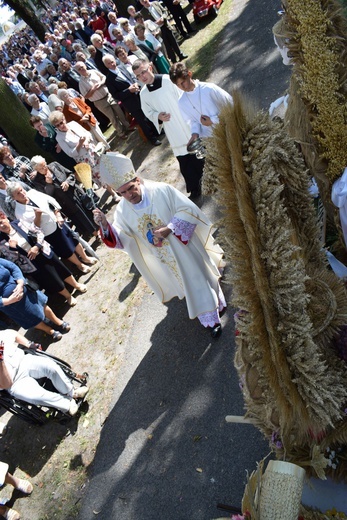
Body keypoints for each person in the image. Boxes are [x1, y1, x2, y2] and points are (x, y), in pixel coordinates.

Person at [94, 153, 226, 337]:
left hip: (183, 247)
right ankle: (209, 311)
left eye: (131, 188)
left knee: (197, 276)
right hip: (165, 257)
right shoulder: (123, 211)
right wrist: (105, 225)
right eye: (122, 192)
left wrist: (170, 228)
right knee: (188, 282)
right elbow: (122, 238)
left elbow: (187, 209)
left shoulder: (161, 191)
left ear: (138, 180)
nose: (129, 195)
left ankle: (211, 318)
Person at [133, 58, 204, 197]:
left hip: (186, 120)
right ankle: (195, 187)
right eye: (138, 76)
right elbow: (148, 112)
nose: (142, 77)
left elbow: (184, 94)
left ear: (150, 68)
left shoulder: (167, 80)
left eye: (143, 72)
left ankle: (212, 176)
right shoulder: (143, 94)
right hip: (172, 129)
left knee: (200, 151)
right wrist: (157, 116)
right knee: (184, 159)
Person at [0, 211, 87, 306]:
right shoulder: (1, 241)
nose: (1, 226)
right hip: (31, 264)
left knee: (61, 269)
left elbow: (39, 231)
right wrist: (13, 248)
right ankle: (68, 296)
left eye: (1, 222)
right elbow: (11, 260)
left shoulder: (20, 223)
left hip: (43, 251)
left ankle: (76, 285)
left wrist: (37, 246)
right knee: (52, 280)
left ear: (4, 217)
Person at [6, 181, 95, 274]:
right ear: (13, 198)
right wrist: (38, 217)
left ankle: (85, 258)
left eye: (21, 190)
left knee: (74, 241)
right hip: (48, 233)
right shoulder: (19, 212)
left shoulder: (32, 193)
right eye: (18, 193)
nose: (22, 193)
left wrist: (58, 214)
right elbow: (32, 229)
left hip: (57, 222)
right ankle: (80, 265)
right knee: (66, 250)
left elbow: (51, 200)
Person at [0, 329, 89, 418]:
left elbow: (13, 334)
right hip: (14, 382)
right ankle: (67, 403)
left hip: (24, 360)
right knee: (35, 396)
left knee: (50, 366)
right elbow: (7, 384)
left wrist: (28, 344)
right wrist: (1, 361)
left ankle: (72, 392)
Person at [0, 258, 69, 341]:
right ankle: (49, 331)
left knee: (42, 305)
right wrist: (9, 300)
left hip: (23, 289)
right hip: (9, 304)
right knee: (30, 318)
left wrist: (20, 283)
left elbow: (13, 267)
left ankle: (58, 322)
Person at [29, 155, 98, 237]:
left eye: (44, 165)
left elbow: (70, 174)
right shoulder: (37, 181)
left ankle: (102, 226)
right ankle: (95, 233)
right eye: (41, 168)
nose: (45, 168)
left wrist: (67, 182)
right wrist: (49, 183)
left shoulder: (54, 165)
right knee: (82, 217)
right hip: (66, 203)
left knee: (91, 209)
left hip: (75, 193)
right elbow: (46, 196)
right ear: (36, 170)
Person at [102, 54, 161, 146]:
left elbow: (133, 77)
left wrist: (135, 84)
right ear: (106, 65)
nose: (112, 64)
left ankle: (158, 131)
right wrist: (128, 91)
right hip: (130, 103)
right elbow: (116, 95)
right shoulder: (109, 80)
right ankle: (152, 138)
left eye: (112, 61)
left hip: (139, 95)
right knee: (142, 121)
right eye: (109, 63)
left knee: (149, 114)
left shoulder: (121, 67)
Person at [169, 62, 233, 141]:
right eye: (178, 85)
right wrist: (195, 133)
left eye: (183, 82)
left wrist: (213, 120)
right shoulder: (182, 102)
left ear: (189, 74)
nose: (182, 87)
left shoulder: (209, 89)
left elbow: (231, 104)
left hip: (229, 130)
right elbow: (192, 121)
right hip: (210, 139)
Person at [75, 60, 131, 140]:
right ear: (78, 71)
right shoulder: (81, 82)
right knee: (112, 117)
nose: (82, 69)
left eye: (82, 67)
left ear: (85, 65)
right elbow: (86, 96)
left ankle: (128, 126)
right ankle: (121, 132)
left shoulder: (93, 72)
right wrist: (93, 89)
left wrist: (101, 83)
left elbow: (104, 77)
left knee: (119, 112)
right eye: (79, 69)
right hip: (99, 101)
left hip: (108, 95)